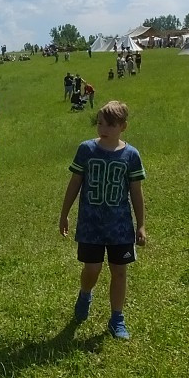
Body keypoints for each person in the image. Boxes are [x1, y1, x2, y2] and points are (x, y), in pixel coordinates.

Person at [59, 101, 147, 340]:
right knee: (92, 269)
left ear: (123, 127)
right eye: (99, 123)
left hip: (120, 226)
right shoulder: (86, 150)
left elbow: (136, 192)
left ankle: (117, 319)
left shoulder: (131, 155)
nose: (103, 128)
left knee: (119, 272)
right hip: (91, 225)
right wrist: (64, 213)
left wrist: (141, 224)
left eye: (109, 124)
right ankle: (85, 294)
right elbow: (75, 183)